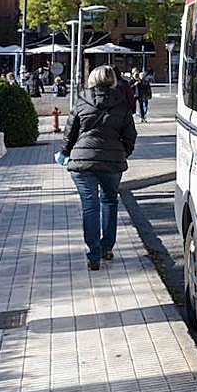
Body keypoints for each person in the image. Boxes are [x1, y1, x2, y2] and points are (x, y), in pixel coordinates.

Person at [60, 65, 136, 270]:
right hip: (112, 162)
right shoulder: (122, 103)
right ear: (113, 81)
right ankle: (107, 248)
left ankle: (93, 254)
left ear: (91, 80)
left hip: (82, 161)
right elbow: (130, 135)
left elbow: (69, 133)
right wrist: (121, 153)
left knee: (90, 205)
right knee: (110, 201)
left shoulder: (81, 101)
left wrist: (65, 153)